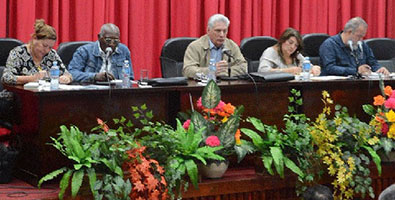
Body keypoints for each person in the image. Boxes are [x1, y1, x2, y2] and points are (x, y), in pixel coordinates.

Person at [1, 19, 72, 85]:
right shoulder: (18, 53)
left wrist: (66, 78)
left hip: (43, 95)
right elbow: (6, 78)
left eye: (50, 47)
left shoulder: (51, 54)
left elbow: (67, 74)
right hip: (17, 95)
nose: (47, 50)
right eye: (44, 45)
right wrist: (32, 78)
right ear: (34, 38)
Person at [183, 14, 247, 79]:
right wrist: (212, 70)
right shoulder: (195, 46)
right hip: (202, 86)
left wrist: (224, 72)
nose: (222, 35)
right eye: (218, 31)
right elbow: (188, 70)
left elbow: (243, 67)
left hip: (226, 86)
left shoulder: (231, 45)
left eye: (224, 31)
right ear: (208, 30)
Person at [319, 17, 389, 76]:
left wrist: (379, 69)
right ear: (349, 32)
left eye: (362, 37)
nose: (360, 39)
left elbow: (372, 62)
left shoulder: (361, 45)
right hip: (337, 85)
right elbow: (329, 68)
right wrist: (355, 71)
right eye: (359, 36)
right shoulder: (329, 45)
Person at [68, 23, 134, 82]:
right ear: (99, 37)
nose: (111, 44)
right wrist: (95, 76)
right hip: (91, 91)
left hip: (116, 91)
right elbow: (72, 73)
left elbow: (130, 77)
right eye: (108, 40)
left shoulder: (123, 50)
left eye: (115, 41)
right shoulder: (84, 51)